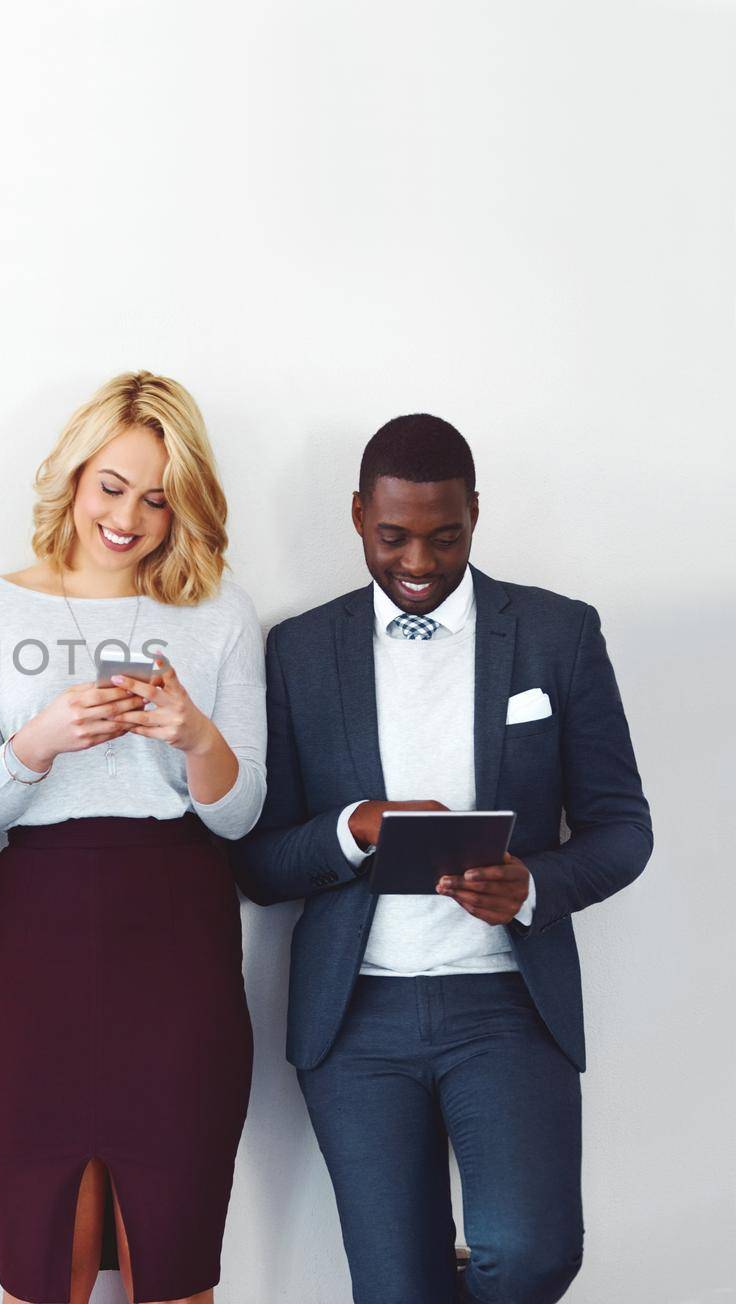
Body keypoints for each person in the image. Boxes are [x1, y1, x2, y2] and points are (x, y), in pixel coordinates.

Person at [233, 415, 653, 1304]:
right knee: (395, 1291)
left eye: (445, 535)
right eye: (392, 537)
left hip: (506, 1005)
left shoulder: (556, 635)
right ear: (357, 516)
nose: (417, 561)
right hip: (355, 1022)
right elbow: (259, 865)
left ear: (475, 516)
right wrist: (356, 827)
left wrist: (534, 883)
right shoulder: (300, 651)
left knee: (531, 1254)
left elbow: (623, 828)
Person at [0, 372, 266, 1304]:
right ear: (73, 477)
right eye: (112, 487)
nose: (129, 517)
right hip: (40, 939)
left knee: (178, 1261)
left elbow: (240, 816)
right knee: (43, 1271)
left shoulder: (222, 614)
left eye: (160, 498)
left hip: (181, 942)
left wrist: (195, 736)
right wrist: (42, 740)